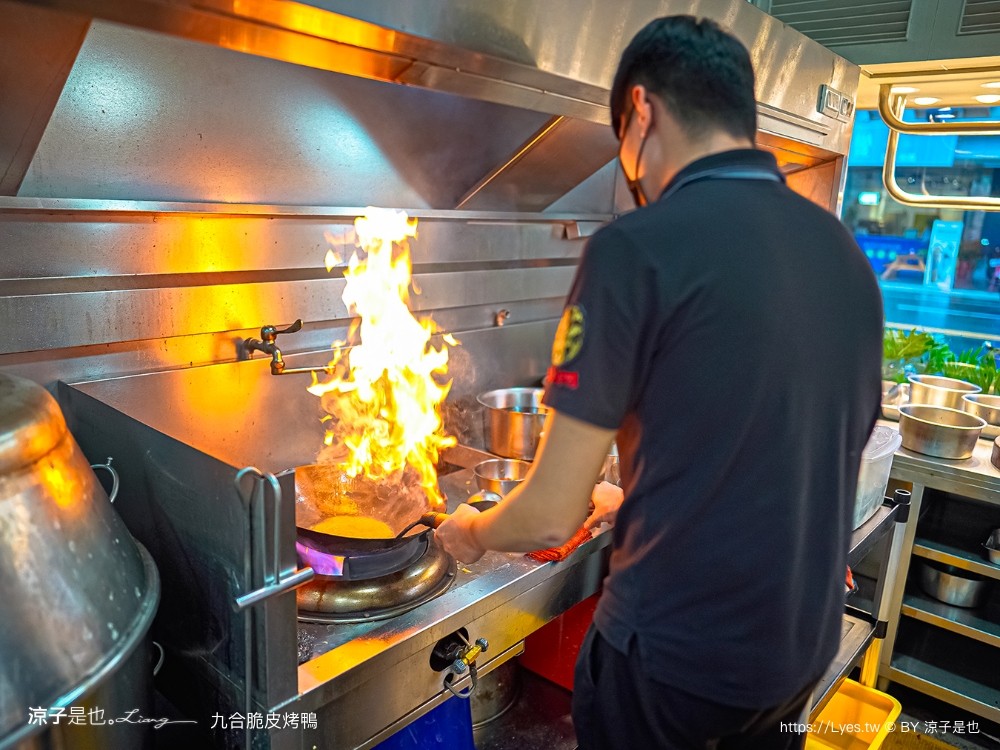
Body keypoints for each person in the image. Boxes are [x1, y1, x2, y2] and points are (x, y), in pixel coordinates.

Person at [436, 14, 883, 750]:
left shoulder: (634, 250)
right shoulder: (843, 255)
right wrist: (647, 497)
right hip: (796, 651)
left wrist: (472, 531)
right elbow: (797, 448)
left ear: (641, 112)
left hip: (678, 666)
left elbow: (550, 516)